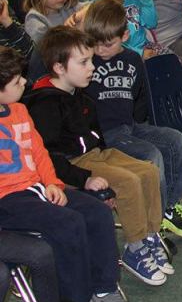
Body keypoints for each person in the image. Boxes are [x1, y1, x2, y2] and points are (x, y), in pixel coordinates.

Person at [23, 27, 170, 286]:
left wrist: (103, 155)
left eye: (91, 60)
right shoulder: (45, 104)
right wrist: (84, 179)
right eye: (84, 62)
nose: (92, 67)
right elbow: (48, 158)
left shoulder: (82, 94)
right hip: (73, 165)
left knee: (148, 171)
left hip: (98, 154)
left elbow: (95, 134)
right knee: (128, 181)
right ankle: (134, 247)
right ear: (59, 67)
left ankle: (149, 235)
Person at [0, 46, 124, 302]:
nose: (25, 82)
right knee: (68, 223)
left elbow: (39, 152)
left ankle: (104, 288)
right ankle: (76, 298)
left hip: (37, 187)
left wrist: (53, 183)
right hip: (8, 201)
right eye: (16, 81)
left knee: (97, 211)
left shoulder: (19, 110)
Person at [82, 0, 182, 240]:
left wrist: (139, 124)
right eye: (95, 44)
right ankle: (152, 224)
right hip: (106, 133)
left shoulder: (133, 60)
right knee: (151, 155)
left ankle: (169, 208)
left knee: (174, 139)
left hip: (129, 127)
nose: (100, 50)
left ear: (124, 35)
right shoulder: (87, 63)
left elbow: (139, 97)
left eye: (107, 44)